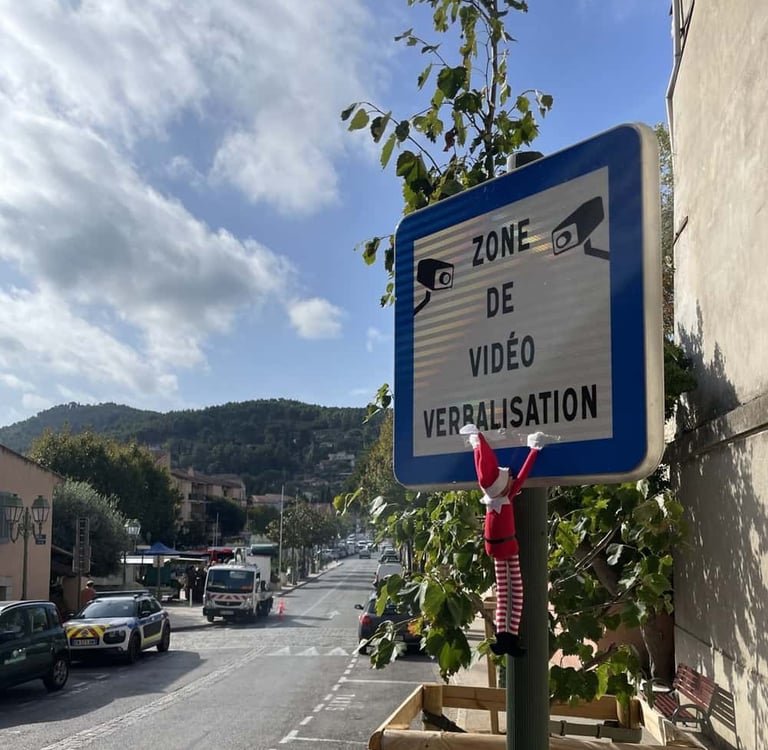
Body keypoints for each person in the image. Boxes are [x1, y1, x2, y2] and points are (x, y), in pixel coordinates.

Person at [460, 425, 548, 657]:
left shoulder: (496, 496)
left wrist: (478, 445)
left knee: (507, 593)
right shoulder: (501, 497)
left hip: (498, 548)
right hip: (507, 548)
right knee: (513, 591)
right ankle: (507, 637)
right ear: (503, 485)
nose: (512, 478)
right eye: (508, 477)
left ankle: (506, 638)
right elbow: (519, 476)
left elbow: (485, 469)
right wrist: (534, 449)